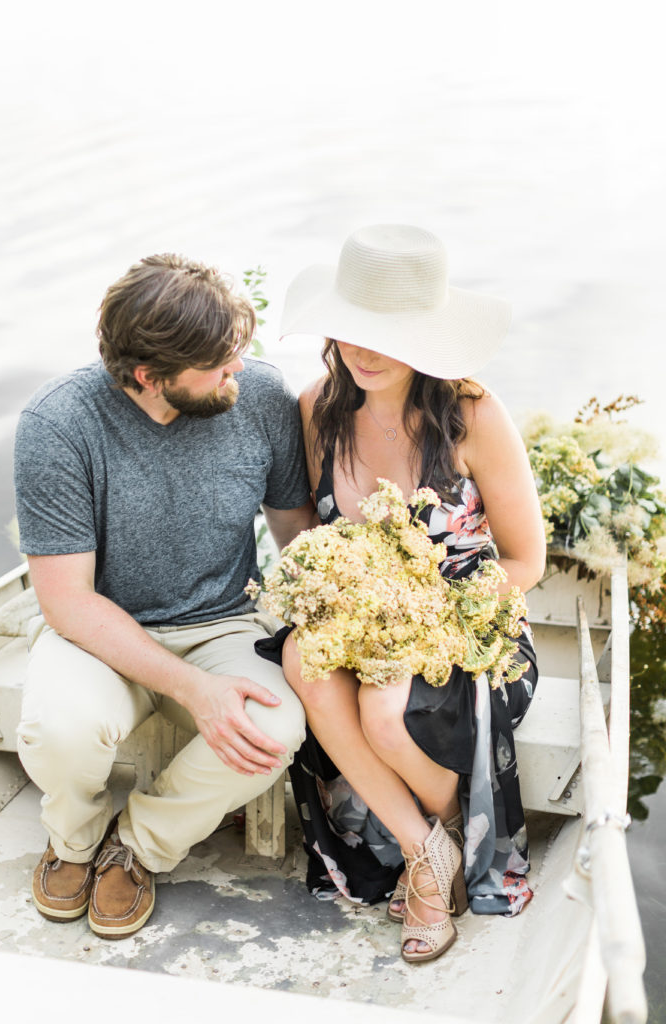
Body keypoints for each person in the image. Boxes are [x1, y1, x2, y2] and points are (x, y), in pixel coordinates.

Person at [14, 253, 313, 939]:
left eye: (238, 352)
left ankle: (137, 846)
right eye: (218, 365)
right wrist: (192, 690)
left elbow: (297, 537)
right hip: (98, 629)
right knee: (61, 730)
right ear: (149, 377)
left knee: (273, 732)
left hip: (225, 624)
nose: (238, 369)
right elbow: (68, 603)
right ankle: (74, 840)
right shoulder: (58, 426)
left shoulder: (262, 397)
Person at [270, 224, 546, 963]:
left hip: (467, 618)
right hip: (365, 613)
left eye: (388, 333)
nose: (362, 349)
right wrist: (339, 595)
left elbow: (526, 559)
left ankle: (450, 827)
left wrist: (430, 623)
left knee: (385, 708)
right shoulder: (318, 407)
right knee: (303, 657)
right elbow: (307, 539)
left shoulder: (474, 417)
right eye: (352, 329)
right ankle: (429, 847)